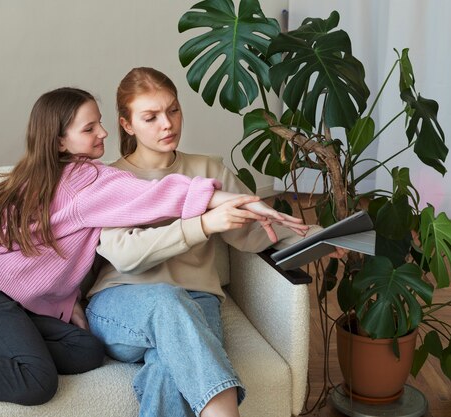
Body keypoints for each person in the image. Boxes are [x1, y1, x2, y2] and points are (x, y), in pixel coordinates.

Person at [0, 87, 306, 417]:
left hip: (17, 307)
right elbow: (158, 195)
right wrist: (226, 202)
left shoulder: (58, 176)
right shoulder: (85, 179)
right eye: (91, 128)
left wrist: (73, 305)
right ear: (60, 140)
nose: (104, 132)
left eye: (100, 122)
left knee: (88, 352)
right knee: (36, 380)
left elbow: (58, 263)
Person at [85, 67, 341, 417]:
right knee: (165, 299)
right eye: (151, 117)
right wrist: (202, 224)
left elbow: (253, 233)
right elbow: (125, 255)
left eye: (173, 110)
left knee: (167, 367)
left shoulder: (208, 170)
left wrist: (316, 236)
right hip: (122, 304)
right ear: (127, 124)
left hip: (197, 301)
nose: (167, 124)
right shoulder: (110, 179)